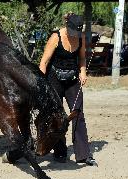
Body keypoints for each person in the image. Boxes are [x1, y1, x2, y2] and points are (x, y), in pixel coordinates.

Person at [39, 13, 96, 166]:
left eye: (77, 32)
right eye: (72, 32)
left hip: (72, 80)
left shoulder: (80, 37)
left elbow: (82, 58)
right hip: (54, 79)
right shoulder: (55, 37)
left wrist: (83, 72)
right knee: (56, 116)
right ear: (67, 25)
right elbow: (44, 63)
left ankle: (83, 154)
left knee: (78, 114)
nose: (74, 35)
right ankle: (59, 152)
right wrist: (41, 85)